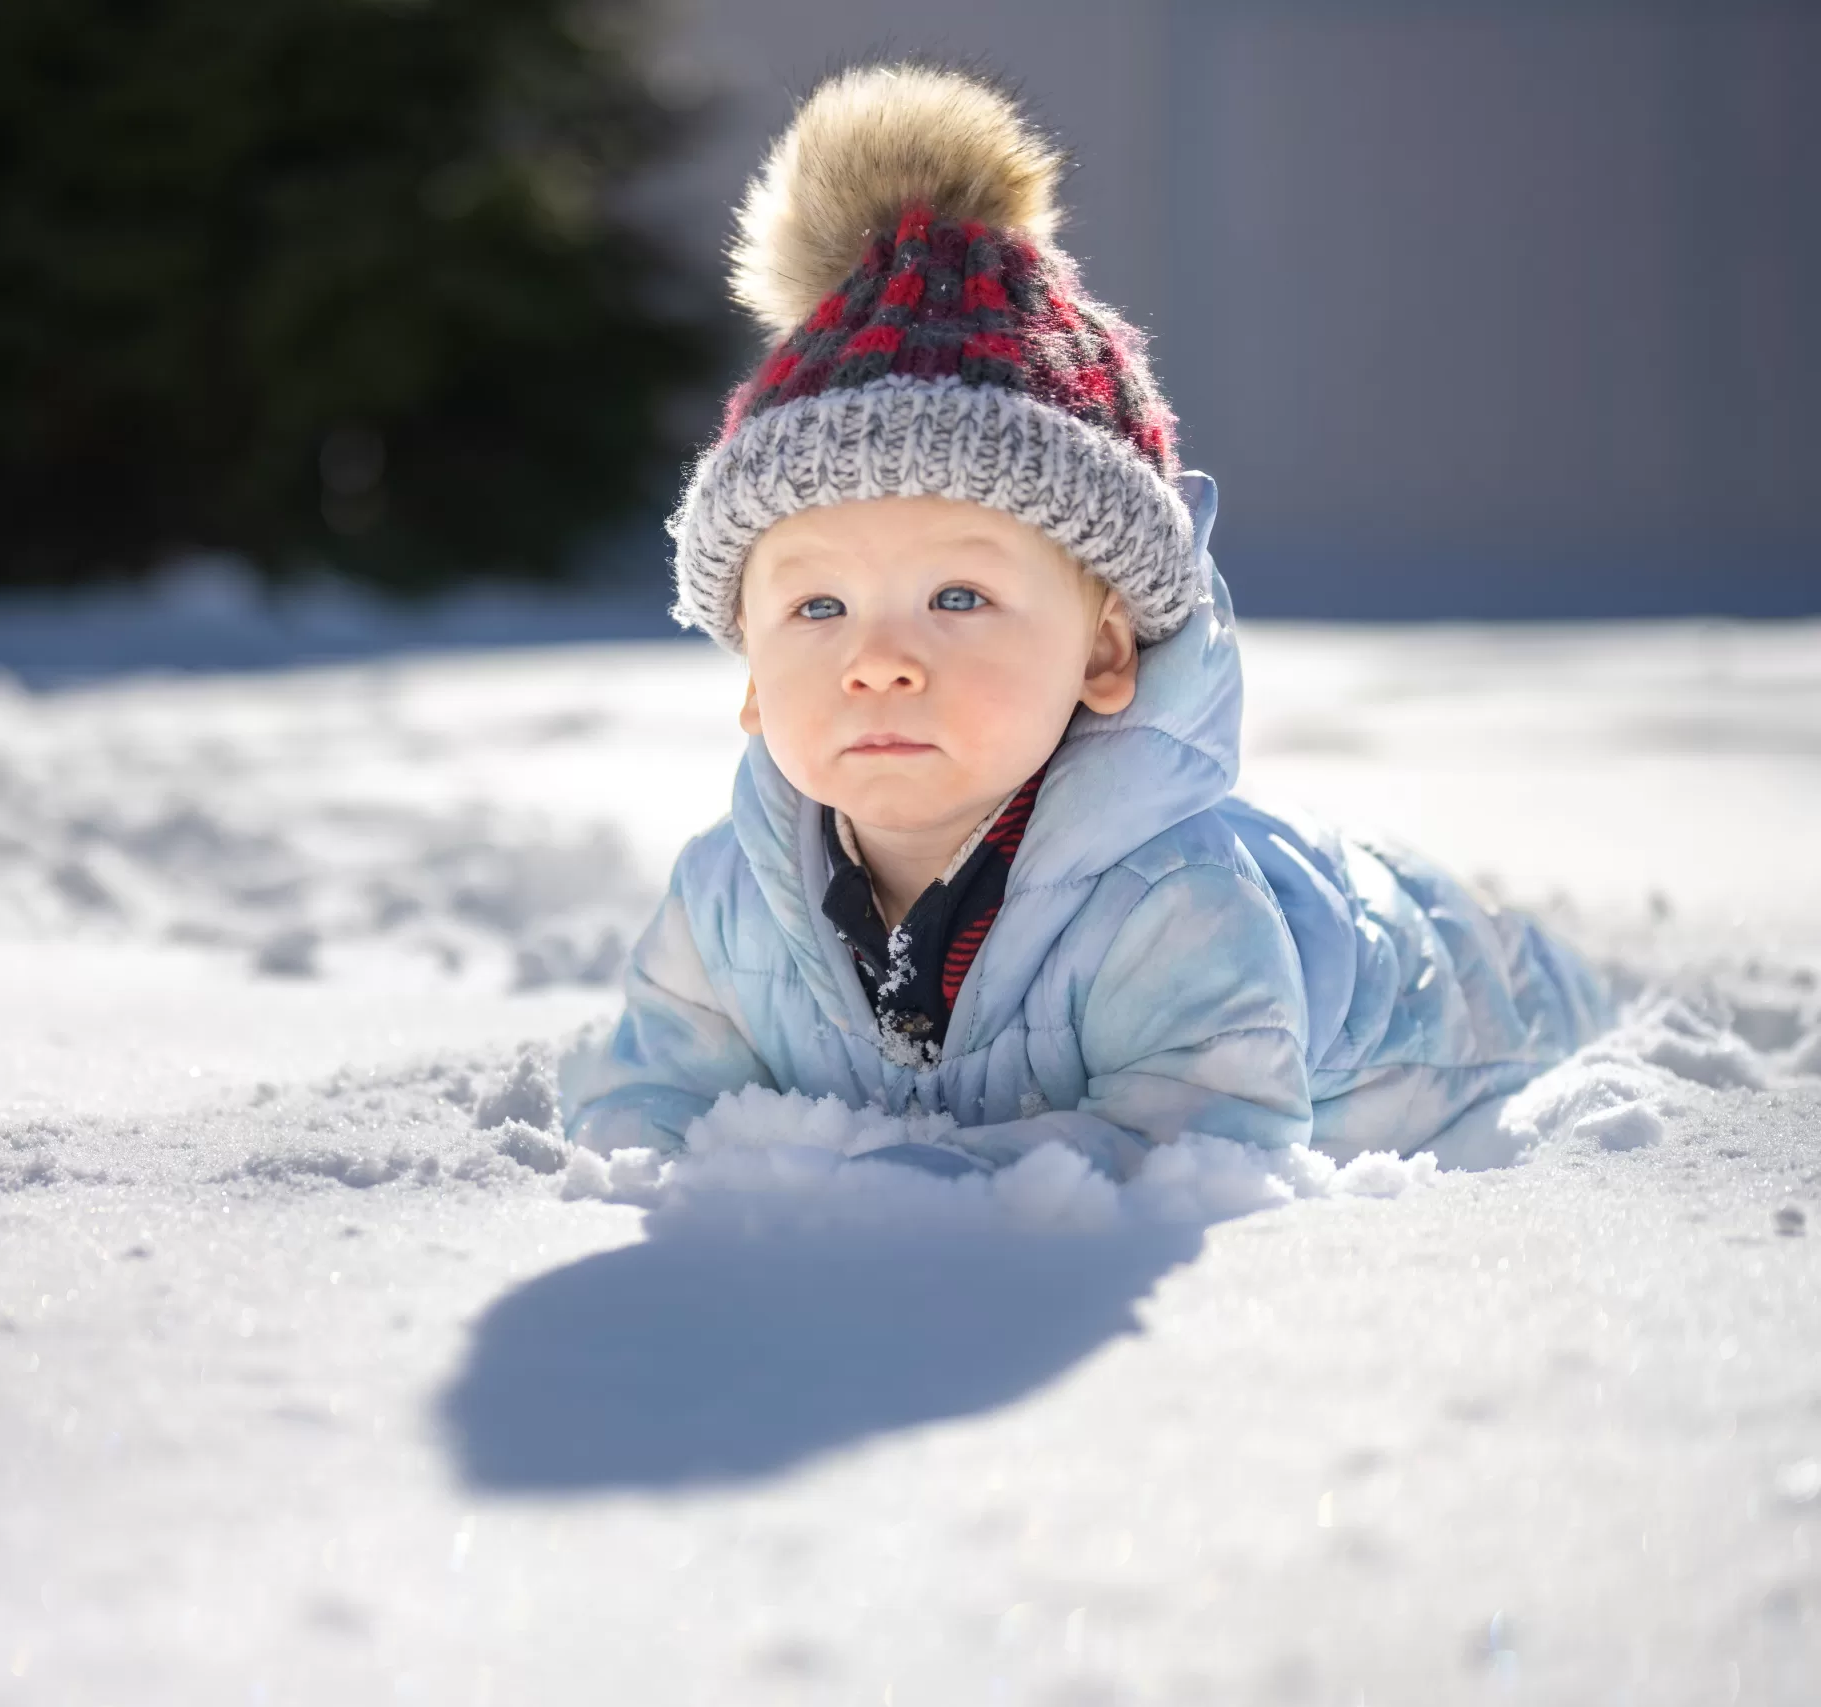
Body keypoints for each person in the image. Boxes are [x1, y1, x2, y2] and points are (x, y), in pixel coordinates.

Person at [561, 64, 1609, 1178]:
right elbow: (651, 1097)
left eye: (957, 598)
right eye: (816, 605)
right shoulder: (727, 901)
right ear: (755, 679)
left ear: (1104, 649)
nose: (876, 661)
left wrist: (909, 1195)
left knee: (1512, 967)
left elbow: (1201, 1138)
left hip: (1457, 1014)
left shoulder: (1176, 904)